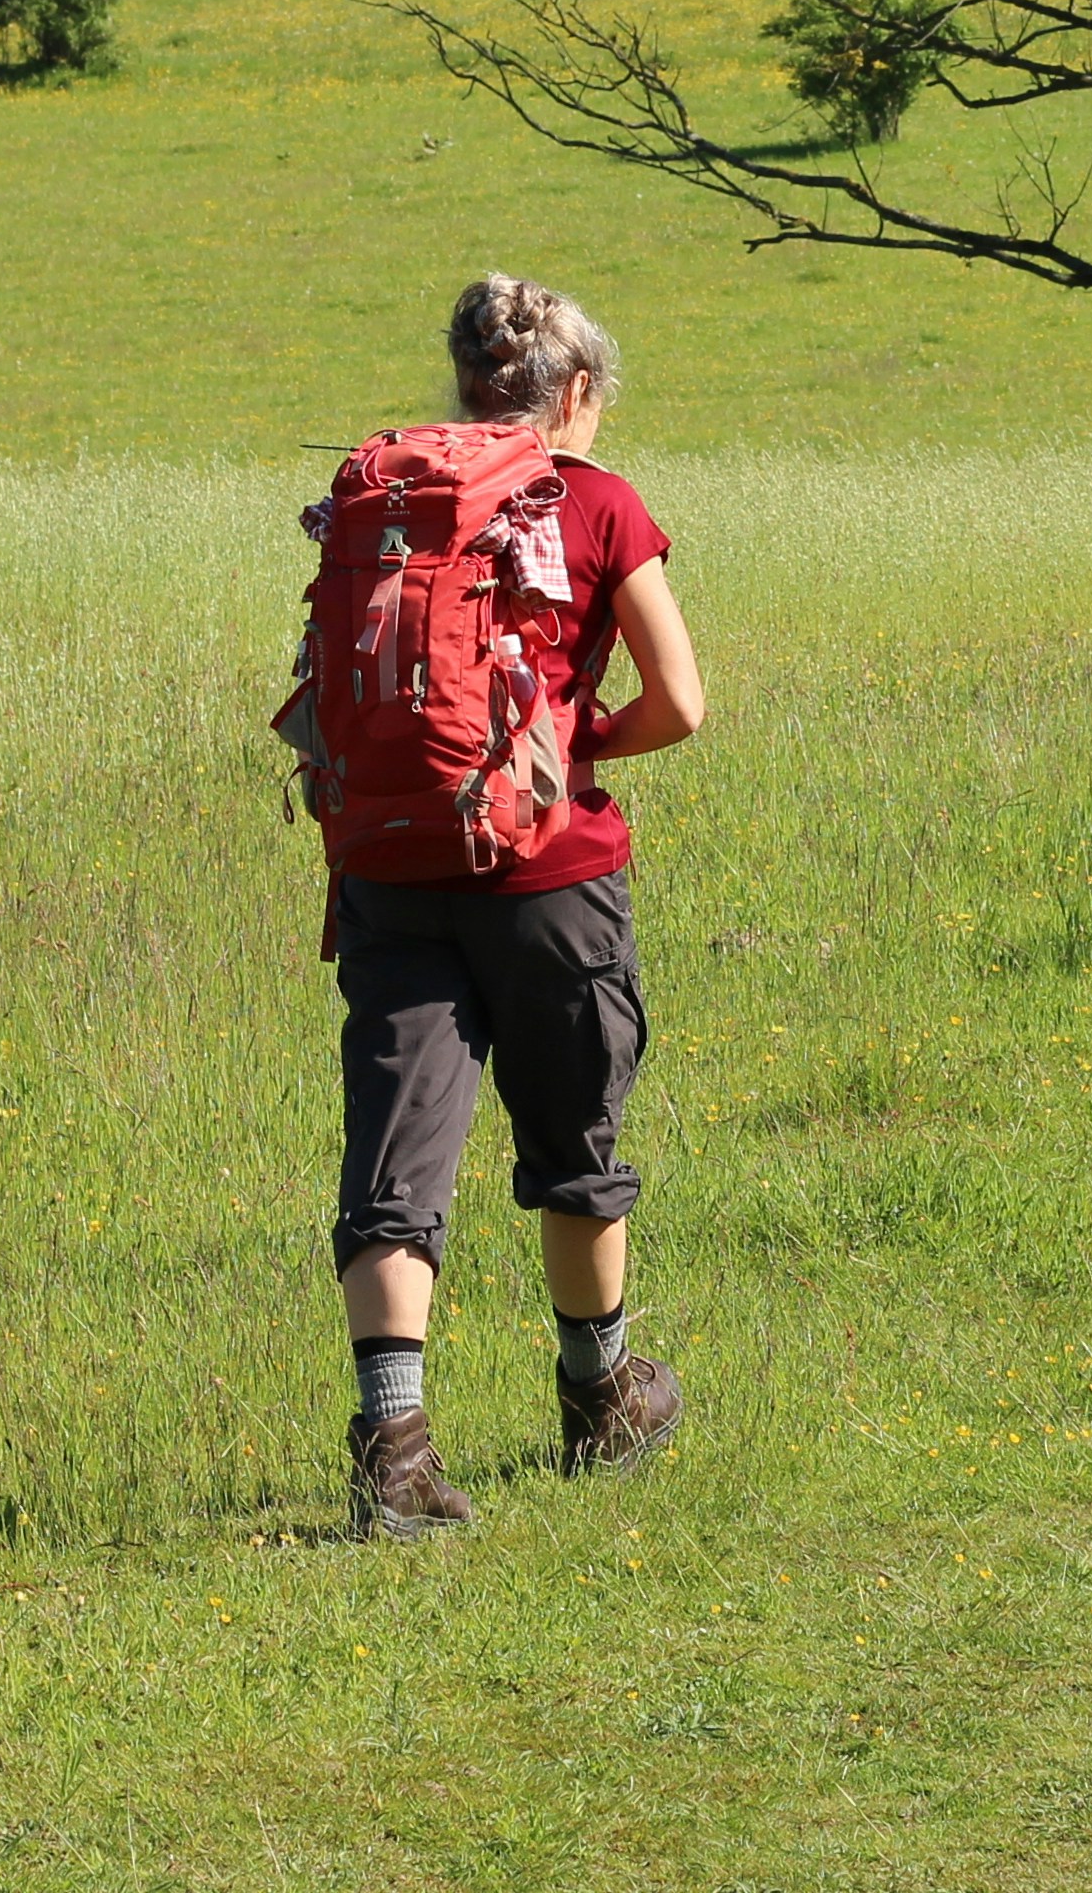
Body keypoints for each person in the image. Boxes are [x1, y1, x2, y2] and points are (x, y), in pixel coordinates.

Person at [328, 273, 704, 1539]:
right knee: (572, 1148)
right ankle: (600, 1397)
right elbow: (683, 703)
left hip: (388, 867)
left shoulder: (387, 504)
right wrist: (570, 740)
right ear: (578, 390)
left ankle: (394, 1453)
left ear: (465, 386)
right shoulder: (597, 501)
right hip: (551, 877)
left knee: (397, 1155)